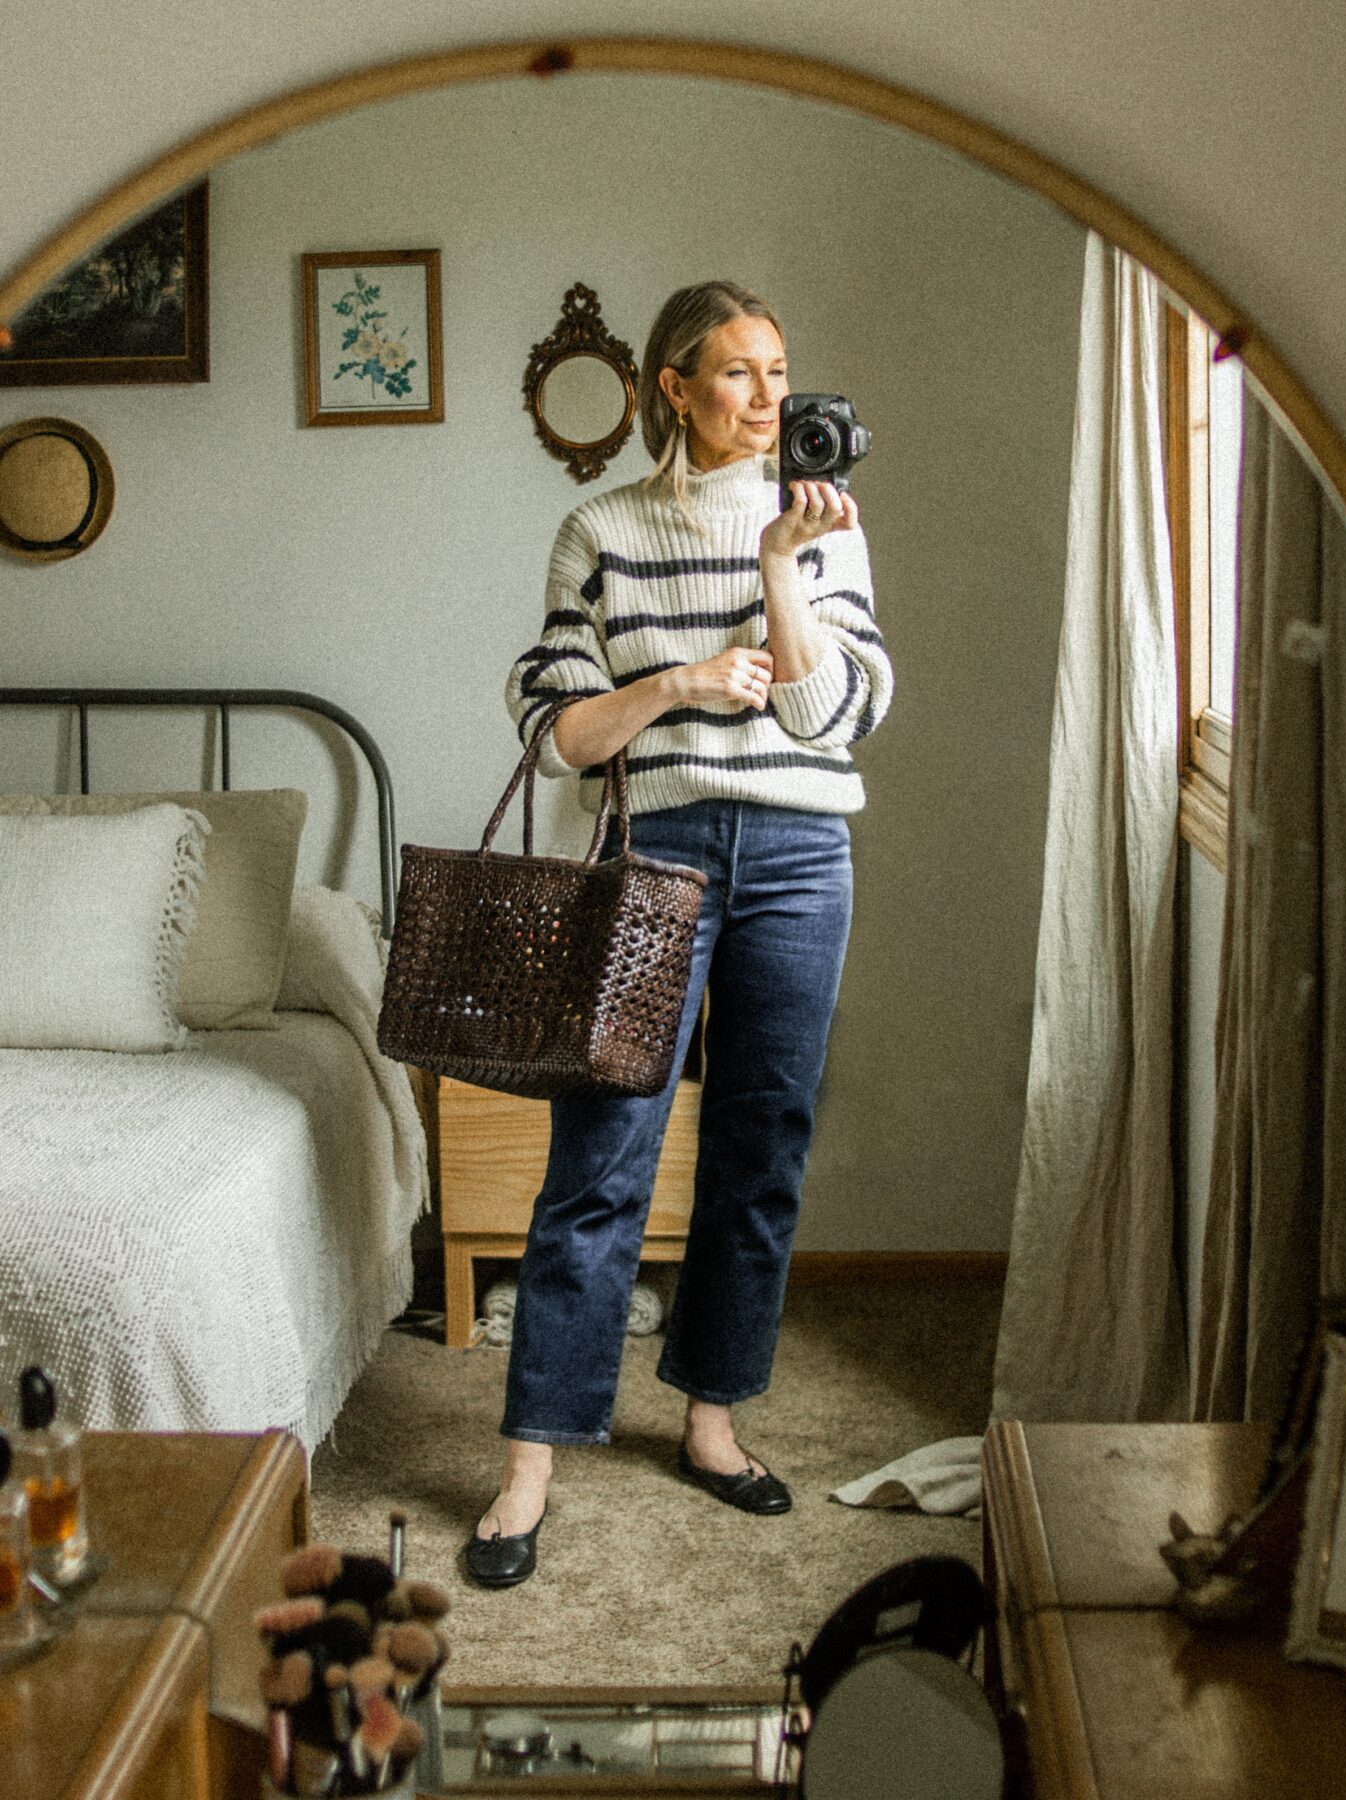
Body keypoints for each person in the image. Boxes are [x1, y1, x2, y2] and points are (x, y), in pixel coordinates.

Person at [462, 279, 894, 1588]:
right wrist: (684, 684)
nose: (770, 399)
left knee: (765, 1140)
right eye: (738, 374)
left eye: (781, 371)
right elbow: (561, 739)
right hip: (652, 854)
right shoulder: (597, 529)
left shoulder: (823, 529)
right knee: (604, 1145)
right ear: (671, 386)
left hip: (804, 853)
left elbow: (835, 720)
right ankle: (533, 1454)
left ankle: (712, 1416)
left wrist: (780, 568)